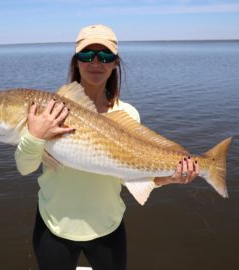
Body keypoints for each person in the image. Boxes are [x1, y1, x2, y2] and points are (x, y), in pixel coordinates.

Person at [15, 24, 199, 270]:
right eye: (86, 55)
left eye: (105, 56)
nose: (95, 62)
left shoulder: (127, 113)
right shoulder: (48, 111)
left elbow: (129, 173)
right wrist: (36, 136)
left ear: (115, 63)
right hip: (54, 225)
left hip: (108, 227)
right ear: (76, 62)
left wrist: (168, 179)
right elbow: (25, 167)